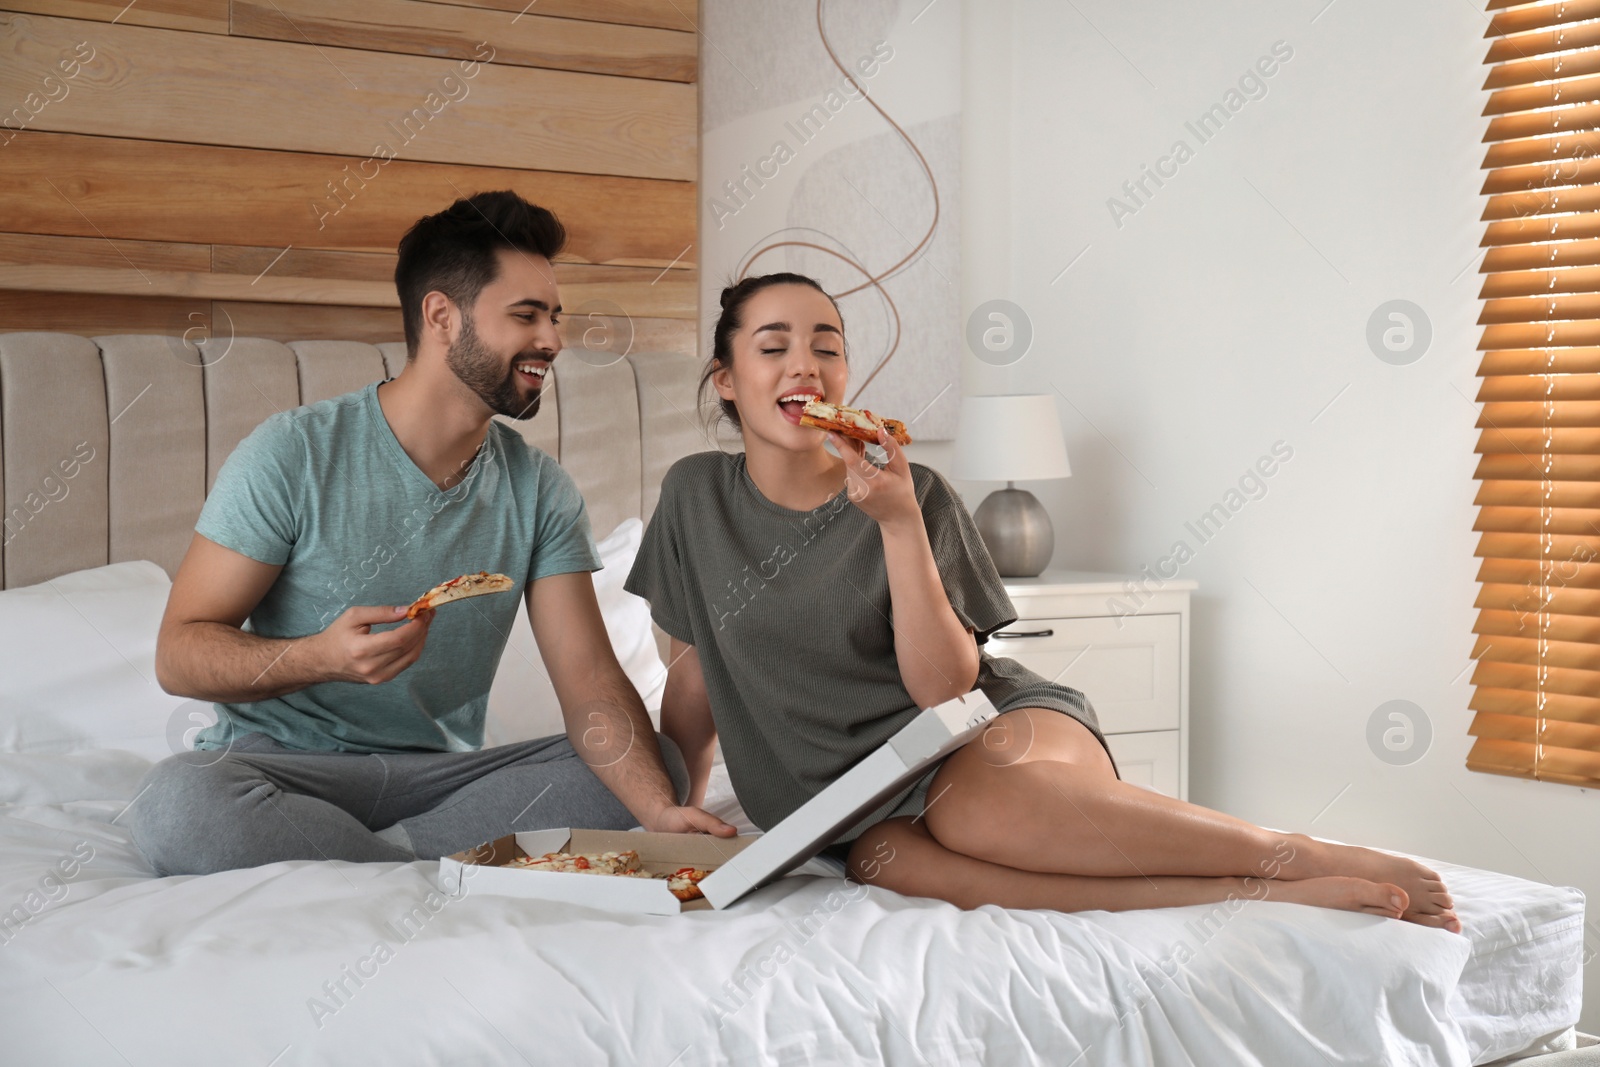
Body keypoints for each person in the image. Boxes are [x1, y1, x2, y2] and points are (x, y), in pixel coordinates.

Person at [624, 272, 1460, 932]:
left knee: (970, 813)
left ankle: (1292, 854)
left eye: (826, 346)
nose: (805, 364)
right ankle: (1253, 897)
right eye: (774, 347)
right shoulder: (694, 497)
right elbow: (696, 669)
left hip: (980, 734)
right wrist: (679, 812)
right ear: (727, 381)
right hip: (848, 807)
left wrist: (901, 524)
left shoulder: (912, 492)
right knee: (899, 862)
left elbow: (947, 689)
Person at [129, 191, 735, 877]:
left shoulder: (539, 490)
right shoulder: (293, 454)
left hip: (446, 781)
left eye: (555, 317)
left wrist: (656, 813)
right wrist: (319, 657)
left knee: (658, 764)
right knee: (176, 803)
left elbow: (592, 682)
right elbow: (178, 653)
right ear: (442, 316)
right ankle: (427, 864)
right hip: (279, 771)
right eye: (527, 315)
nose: (554, 340)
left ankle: (381, 865)